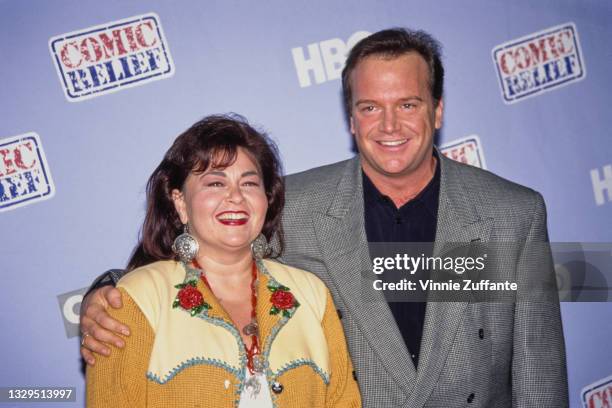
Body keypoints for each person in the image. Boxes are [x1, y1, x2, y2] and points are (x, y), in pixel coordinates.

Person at [81, 28, 568, 407]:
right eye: (371, 107)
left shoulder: (512, 214)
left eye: (409, 105)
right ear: (351, 119)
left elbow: (538, 372)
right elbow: (206, 264)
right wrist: (104, 294)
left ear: (437, 111)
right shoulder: (295, 203)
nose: (390, 126)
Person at [85, 115, 360, 407]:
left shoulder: (311, 294)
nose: (236, 197)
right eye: (215, 183)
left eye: (250, 183)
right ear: (180, 203)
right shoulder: (136, 298)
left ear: (266, 200)